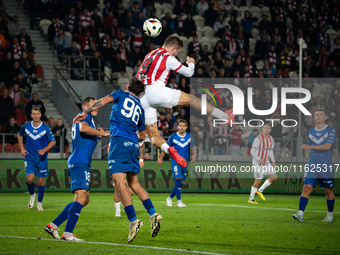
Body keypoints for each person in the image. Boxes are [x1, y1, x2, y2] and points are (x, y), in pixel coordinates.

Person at [73, 77, 162, 243]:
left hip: (118, 143)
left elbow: (102, 101)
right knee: (134, 184)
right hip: (132, 145)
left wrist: (84, 112)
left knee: (120, 185)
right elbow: (142, 136)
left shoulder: (120, 94)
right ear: (140, 93)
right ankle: (153, 214)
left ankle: (133, 221)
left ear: (127, 87)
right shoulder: (141, 109)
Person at [136, 34, 234, 168]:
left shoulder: (151, 54)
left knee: (153, 136)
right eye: (178, 52)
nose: (177, 54)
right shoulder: (168, 57)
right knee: (192, 99)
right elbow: (189, 73)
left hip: (141, 96)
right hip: (155, 91)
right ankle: (224, 116)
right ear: (174, 48)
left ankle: (169, 149)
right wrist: (191, 64)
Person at [45, 97, 110, 241]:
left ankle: (53, 225)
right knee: (80, 197)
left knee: (84, 199)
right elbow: (82, 128)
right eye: (94, 104)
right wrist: (100, 133)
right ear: (86, 106)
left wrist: (99, 135)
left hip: (81, 162)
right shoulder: (84, 116)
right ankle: (68, 234)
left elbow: (87, 142)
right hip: (79, 162)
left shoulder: (88, 119)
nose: (97, 106)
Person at [292, 109, 336, 222]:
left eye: (321, 114)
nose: (319, 116)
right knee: (306, 188)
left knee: (328, 191)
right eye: (317, 115)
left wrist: (308, 147)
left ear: (325, 117)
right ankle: (300, 214)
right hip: (312, 163)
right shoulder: (310, 131)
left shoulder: (331, 130)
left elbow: (327, 146)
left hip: (325, 164)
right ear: (314, 117)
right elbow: (310, 148)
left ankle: (330, 215)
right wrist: (309, 157)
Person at [17, 107, 56, 211]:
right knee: (29, 179)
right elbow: (19, 135)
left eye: (38, 114)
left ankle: (39, 203)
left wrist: (44, 149)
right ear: (31, 115)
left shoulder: (46, 128)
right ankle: (32, 195)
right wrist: (22, 148)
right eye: (34, 114)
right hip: (29, 157)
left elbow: (53, 142)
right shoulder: (26, 126)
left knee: (41, 181)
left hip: (41, 158)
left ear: (40, 115)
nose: (36, 116)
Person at [158, 119, 196, 207]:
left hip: (184, 163)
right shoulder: (173, 136)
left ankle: (170, 198)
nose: (181, 127)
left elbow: (193, 147)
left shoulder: (189, 136)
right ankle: (179, 201)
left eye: (183, 126)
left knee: (180, 182)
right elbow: (166, 147)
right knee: (178, 179)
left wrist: (194, 155)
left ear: (186, 127)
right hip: (175, 161)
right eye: (180, 126)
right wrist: (161, 158)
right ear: (178, 126)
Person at [248, 123, 277, 204]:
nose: (266, 129)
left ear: (270, 130)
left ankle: (260, 190)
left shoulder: (271, 139)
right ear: (262, 129)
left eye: (268, 128)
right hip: (257, 162)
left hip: (266, 162)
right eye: (265, 128)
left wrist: (273, 160)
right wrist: (258, 159)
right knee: (258, 180)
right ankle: (251, 198)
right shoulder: (258, 139)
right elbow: (252, 151)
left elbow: (270, 151)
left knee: (274, 177)